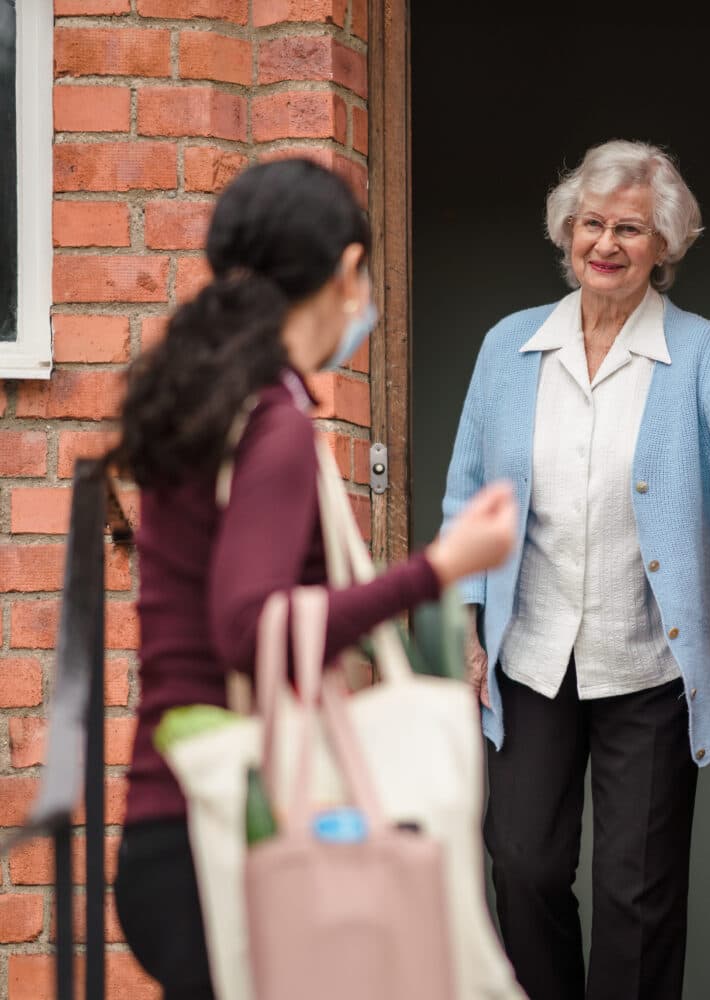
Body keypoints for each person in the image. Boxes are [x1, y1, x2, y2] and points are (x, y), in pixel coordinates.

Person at [442, 139, 710, 1000]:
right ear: (566, 233)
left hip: (649, 668)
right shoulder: (507, 349)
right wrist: (463, 623)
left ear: (664, 245)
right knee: (521, 869)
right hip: (532, 657)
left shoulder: (698, 352)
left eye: (630, 229)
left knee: (640, 899)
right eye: (591, 224)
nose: (607, 244)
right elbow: (466, 503)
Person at [109, 159, 516, 1000]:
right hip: (229, 835)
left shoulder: (205, 404)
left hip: (173, 827)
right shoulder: (277, 423)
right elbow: (252, 627)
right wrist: (439, 569)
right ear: (345, 272)